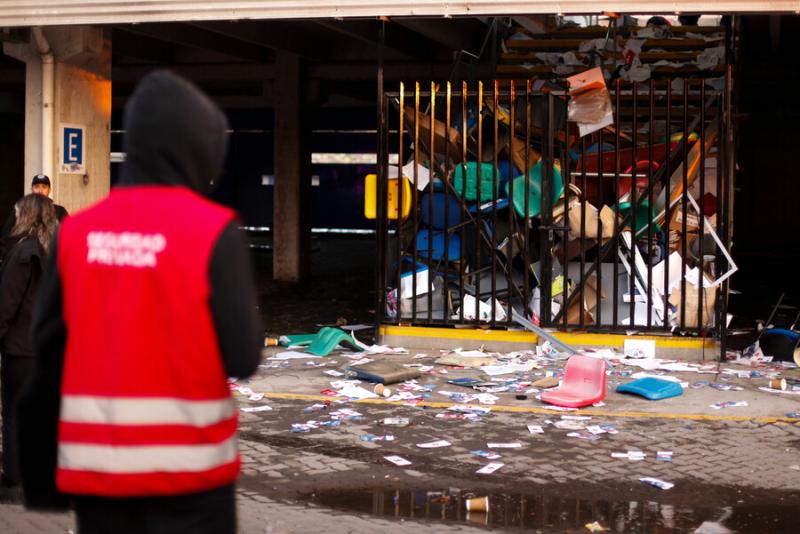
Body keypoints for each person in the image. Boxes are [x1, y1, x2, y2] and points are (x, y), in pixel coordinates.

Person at [17, 70, 262, 533]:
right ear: (196, 147)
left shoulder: (76, 233)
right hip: (191, 480)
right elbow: (243, 357)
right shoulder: (214, 231)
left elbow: (46, 346)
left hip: (98, 478)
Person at [0, 194, 57, 500]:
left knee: (13, 415)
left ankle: (13, 482)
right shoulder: (56, 254)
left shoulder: (24, 252)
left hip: (21, 349)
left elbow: (6, 304)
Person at [1, 174, 68, 238]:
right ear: (32, 189)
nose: (40, 191)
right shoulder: (20, 210)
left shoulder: (60, 211)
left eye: (44, 187)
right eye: (36, 187)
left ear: (49, 190)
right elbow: (7, 234)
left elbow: (69, 233)